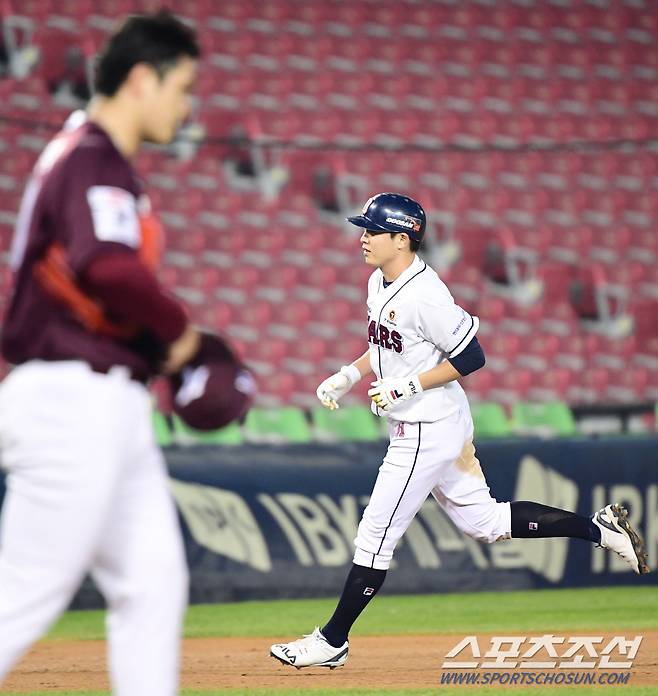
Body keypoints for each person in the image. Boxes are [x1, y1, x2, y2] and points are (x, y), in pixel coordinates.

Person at [270, 192, 650, 671]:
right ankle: (598, 532)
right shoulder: (378, 280)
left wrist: (408, 384)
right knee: (484, 523)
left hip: (428, 427)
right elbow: (387, 346)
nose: (363, 237)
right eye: (363, 228)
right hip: (431, 419)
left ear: (402, 239)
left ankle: (332, 640)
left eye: (372, 230)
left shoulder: (426, 295)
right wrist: (349, 373)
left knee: (375, 535)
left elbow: (472, 357)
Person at [0, 12, 200, 695]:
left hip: (106, 403)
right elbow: (107, 268)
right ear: (143, 80)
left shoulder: (88, 156)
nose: (187, 106)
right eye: (182, 87)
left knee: (151, 586)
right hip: (69, 402)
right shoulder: (92, 157)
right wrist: (179, 331)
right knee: (24, 594)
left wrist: (155, 344)